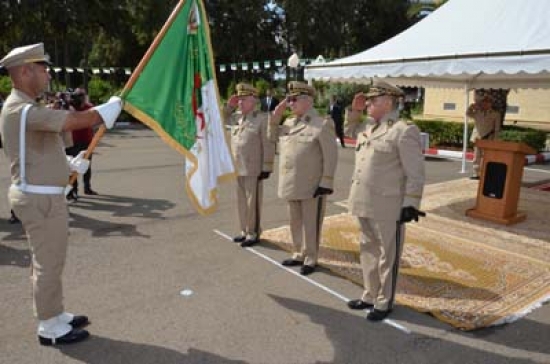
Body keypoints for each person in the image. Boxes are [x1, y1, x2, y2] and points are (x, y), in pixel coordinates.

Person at [0, 43, 122, 345]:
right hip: (39, 198)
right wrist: (109, 108)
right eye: (43, 68)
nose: (49, 74)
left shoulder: (27, 108)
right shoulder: (21, 108)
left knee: (49, 261)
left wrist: (68, 163)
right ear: (25, 71)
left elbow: (38, 149)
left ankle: (54, 314)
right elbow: (74, 121)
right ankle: (49, 328)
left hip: (43, 194)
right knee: (48, 263)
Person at [346, 80, 425, 321]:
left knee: (387, 255)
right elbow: (350, 131)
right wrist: (356, 111)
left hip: (388, 204)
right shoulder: (369, 127)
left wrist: (410, 204)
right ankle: (370, 294)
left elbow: (415, 172)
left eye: (373, 99)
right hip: (364, 200)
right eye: (368, 100)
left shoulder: (403, 130)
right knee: (367, 249)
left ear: (389, 102)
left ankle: (384, 301)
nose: (368, 103)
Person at [268, 81, 338, 275]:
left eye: (293, 100)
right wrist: (276, 117)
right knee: (295, 221)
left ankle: (311, 257)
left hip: (311, 184)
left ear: (307, 101)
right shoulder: (289, 122)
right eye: (289, 100)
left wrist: (326, 182)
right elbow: (271, 137)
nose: (290, 103)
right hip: (291, 183)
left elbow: (331, 155)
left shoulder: (322, 123)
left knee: (311, 223)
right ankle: (298, 252)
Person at [224, 83, 276, 247]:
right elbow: (219, 119)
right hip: (238, 166)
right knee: (241, 201)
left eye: (243, 99)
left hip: (254, 168)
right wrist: (228, 107)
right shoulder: (236, 117)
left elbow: (268, 144)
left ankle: (253, 233)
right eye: (238, 99)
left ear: (254, 100)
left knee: (252, 202)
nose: (240, 102)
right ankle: (244, 230)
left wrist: (266, 167)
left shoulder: (262, 118)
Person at [65, 88, 97, 200]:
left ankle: (87, 187)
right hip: (73, 141)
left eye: (82, 96)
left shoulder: (89, 107)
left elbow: (94, 118)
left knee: (86, 165)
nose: (80, 98)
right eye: (78, 96)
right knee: (73, 167)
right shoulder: (70, 107)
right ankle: (73, 191)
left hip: (87, 140)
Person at [467, 90, 501, 180]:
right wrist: (471, 107)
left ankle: (486, 174)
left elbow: (497, 129)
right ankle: (476, 174)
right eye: (484, 102)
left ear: (491, 104)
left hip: (488, 138)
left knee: (486, 156)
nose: (485, 104)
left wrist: (495, 141)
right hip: (478, 137)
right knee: (476, 157)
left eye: (487, 102)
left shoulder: (496, 114)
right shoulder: (477, 112)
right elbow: (468, 114)